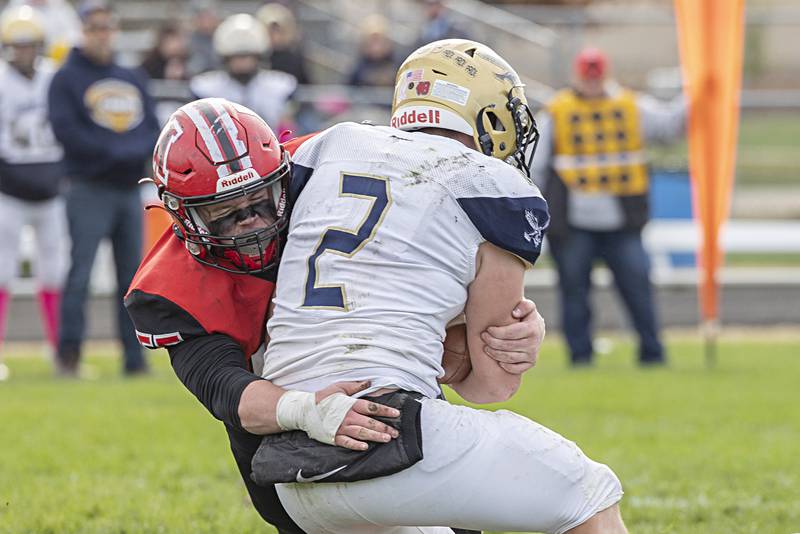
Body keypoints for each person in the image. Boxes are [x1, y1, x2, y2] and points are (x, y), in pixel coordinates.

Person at [124, 97, 545, 533]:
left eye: (260, 200)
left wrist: (508, 321)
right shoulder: (169, 289)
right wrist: (308, 411)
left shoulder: (325, 166)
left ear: (283, 176)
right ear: (179, 214)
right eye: (222, 213)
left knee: (452, 512)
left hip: (380, 371)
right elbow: (227, 391)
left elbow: (421, 267)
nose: (250, 222)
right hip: (277, 411)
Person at [256, 39, 627, 534]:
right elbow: (491, 385)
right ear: (485, 110)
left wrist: (444, 322)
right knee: (589, 493)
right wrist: (514, 332)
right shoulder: (489, 183)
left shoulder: (328, 147)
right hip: (389, 438)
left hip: (291, 459)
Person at [532, 47, 686, 367]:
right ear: (578, 75)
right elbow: (537, 166)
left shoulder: (631, 105)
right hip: (573, 224)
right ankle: (580, 358)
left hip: (621, 222)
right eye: (587, 76)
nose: (592, 83)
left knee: (638, 290)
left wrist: (696, 91)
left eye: (596, 76)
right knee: (574, 295)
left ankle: (652, 354)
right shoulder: (557, 111)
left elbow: (670, 125)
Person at [48, 0, 160, 376]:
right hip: (87, 187)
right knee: (79, 274)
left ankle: (134, 360)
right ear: (83, 30)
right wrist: (118, 152)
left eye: (107, 27)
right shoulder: (66, 78)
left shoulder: (131, 77)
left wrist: (122, 154)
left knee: (132, 280)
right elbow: (68, 133)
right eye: (94, 27)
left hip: (128, 189)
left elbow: (150, 130)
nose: (101, 34)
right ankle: (69, 358)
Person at [0, 5, 66, 380]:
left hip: (50, 189)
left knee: (56, 270)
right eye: (17, 46)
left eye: (29, 45)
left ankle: (59, 351)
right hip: (9, 189)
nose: (24, 52)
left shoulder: (52, 78)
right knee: (1, 271)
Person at [190, 13, 297, 135]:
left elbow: (286, 128)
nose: (243, 62)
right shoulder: (208, 87)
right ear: (226, 59)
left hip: (269, 147)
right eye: (237, 57)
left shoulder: (278, 86)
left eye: (247, 56)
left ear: (258, 57)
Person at [257, 3, 310, 85]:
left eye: (279, 31)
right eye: (271, 32)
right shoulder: (258, 58)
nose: (275, 37)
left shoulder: (294, 59)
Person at [347, 14, 397, 88]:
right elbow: (349, 89)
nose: (376, 46)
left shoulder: (396, 64)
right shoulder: (359, 67)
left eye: (379, 40)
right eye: (373, 41)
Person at [186, 0, 221, 76]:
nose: (205, 21)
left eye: (208, 16)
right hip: (197, 78)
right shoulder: (189, 39)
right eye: (201, 17)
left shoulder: (222, 37)